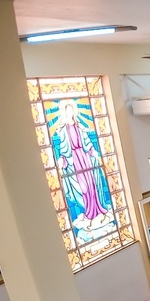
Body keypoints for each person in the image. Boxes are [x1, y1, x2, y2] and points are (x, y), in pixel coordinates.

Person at [52, 99, 114, 233]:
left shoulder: (80, 127)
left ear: (74, 111)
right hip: (74, 161)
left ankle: (97, 210)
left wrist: (94, 152)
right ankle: (88, 213)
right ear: (64, 112)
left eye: (71, 110)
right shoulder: (62, 130)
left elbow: (87, 142)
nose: (69, 112)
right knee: (83, 188)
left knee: (92, 186)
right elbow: (63, 148)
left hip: (85, 159)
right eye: (67, 110)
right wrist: (62, 159)